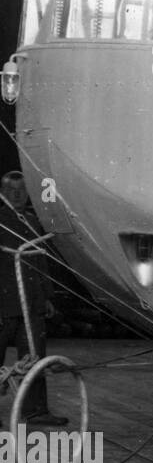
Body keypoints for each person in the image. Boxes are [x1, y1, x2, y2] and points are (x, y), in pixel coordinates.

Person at [0, 171, 65, 427]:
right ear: (2, 192)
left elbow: (40, 260)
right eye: (11, 189)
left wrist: (47, 296)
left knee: (34, 359)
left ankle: (36, 411)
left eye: (21, 189)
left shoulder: (31, 221)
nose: (17, 194)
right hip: (3, 305)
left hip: (32, 304)